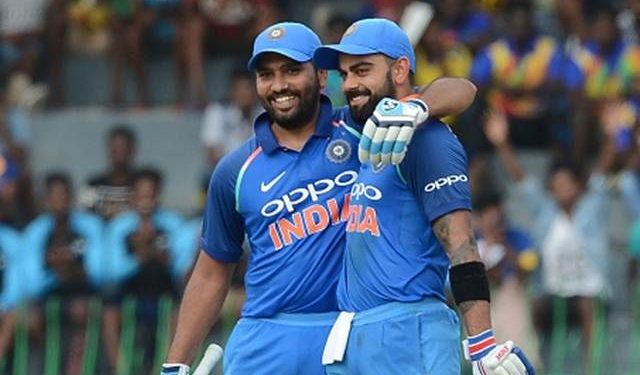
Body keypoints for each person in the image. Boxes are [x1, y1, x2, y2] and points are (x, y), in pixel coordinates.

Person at [162, 21, 476, 375]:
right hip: (264, 337)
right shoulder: (235, 171)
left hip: (344, 337)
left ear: (324, 78)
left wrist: (416, 106)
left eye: (292, 70)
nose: (279, 85)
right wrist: (176, 363)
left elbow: (461, 90)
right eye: (266, 75)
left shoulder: (368, 127)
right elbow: (211, 274)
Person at [313, 18, 535, 374]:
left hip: (408, 333)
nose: (350, 84)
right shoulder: (366, 130)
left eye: (362, 70)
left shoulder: (428, 139)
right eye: (345, 74)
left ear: (400, 69)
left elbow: (462, 245)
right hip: (354, 336)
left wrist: (481, 345)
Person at [22, 172, 104, 375]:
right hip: (47, 296)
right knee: (31, 319)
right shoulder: (36, 232)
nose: (59, 202)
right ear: (46, 200)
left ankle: (76, 368)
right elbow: (32, 282)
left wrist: (71, 269)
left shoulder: (89, 227)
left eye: (63, 196)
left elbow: (100, 273)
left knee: (81, 311)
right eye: (54, 197)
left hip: (82, 294)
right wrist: (55, 270)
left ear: (71, 198)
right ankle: (47, 366)